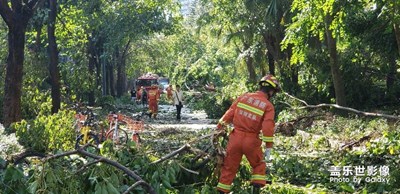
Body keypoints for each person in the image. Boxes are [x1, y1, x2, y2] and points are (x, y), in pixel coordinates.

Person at [215, 74, 281, 194]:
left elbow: (228, 115)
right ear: (271, 91)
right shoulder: (268, 106)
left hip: (235, 139)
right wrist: (269, 146)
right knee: (258, 165)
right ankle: (256, 189)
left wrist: (218, 130)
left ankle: (222, 190)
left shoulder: (244, 97)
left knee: (229, 167)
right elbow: (267, 127)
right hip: (251, 141)